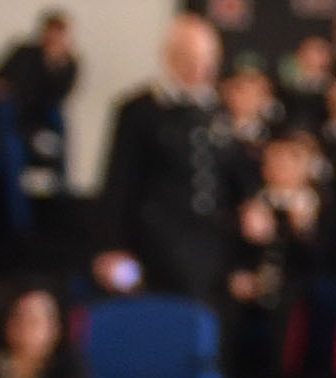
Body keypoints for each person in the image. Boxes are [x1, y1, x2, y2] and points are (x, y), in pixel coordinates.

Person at [94, 15, 246, 299]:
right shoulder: (139, 111)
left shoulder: (222, 111)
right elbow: (118, 182)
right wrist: (111, 248)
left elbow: (235, 175)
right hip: (156, 245)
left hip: (213, 248)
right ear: (170, 57)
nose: (199, 68)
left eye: (207, 59)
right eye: (190, 58)